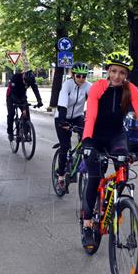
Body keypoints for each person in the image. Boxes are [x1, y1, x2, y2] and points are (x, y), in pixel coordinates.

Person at [79, 51, 138, 249]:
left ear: (126, 75)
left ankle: (113, 205)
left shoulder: (131, 90)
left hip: (116, 136)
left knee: (123, 173)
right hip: (94, 136)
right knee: (94, 178)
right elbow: (91, 116)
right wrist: (86, 142)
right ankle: (86, 225)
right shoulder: (97, 88)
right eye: (113, 71)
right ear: (108, 71)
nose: (117, 76)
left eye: (122, 73)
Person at [54, 62, 91, 190]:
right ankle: (61, 176)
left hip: (77, 117)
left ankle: (78, 161)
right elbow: (63, 103)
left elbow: (96, 100)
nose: (81, 79)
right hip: (62, 116)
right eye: (79, 76)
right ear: (73, 75)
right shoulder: (67, 85)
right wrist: (63, 122)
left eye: (84, 76)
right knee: (65, 146)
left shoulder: (87, 86)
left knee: (88, 139)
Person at [6, 69, 43, 141]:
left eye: (27, 83)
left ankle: (26, 133)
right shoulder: (15, 77)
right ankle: (10, 132)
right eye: (25, 82)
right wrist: (17, 102)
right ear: (23, 76)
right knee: (11, 114)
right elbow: (13, 91)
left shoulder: (31, 79)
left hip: (22, 96)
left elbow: (35, 90)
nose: (26, 84)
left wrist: (39, 101)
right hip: (11, 96)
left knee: (26, 113)